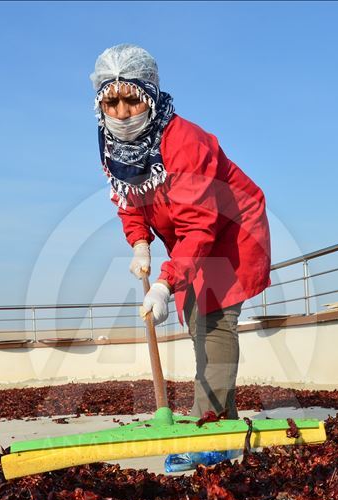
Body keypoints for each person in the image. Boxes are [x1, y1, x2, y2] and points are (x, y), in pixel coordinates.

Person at [90, 44, 271, 469]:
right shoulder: (112, 142)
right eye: (110, 101)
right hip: (192, 239)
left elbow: (199, 225)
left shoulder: (185, 141)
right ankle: (223, 423)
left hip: (231, 231)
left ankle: (207, 427)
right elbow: (128, 199)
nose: (121, 111)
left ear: (149, 94)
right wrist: (139, 242)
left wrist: (166, 282)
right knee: (196, 316)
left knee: (212, 320)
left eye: (131, 99)